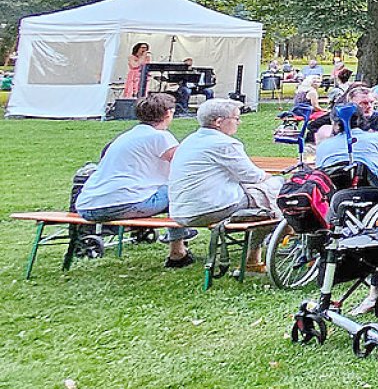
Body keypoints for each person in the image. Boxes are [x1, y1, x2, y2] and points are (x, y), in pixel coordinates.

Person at [74, 93, 195, 267]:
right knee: (179, 191)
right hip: (124, 204)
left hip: (88, 205)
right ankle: (177, 250)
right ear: (168, 113)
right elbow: (185, 165)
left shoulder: (126, 136)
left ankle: (181, 238)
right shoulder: (160, 137)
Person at [167, 99, 280, 269]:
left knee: (263, 194)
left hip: (180, 211)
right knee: (276, 196)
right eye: (236, 118)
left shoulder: (189, 140)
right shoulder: (224, 143)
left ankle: (255, 256)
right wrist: (272, 178)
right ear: (219, 122)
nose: (239, 123)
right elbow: (252, 175)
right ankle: (253, 257)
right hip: (210, 209)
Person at [314, 107, 378, 185]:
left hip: (335, 196)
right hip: (372, 191)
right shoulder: (376, 138)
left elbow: (319, 173)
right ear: (361, 119)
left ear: (334, 123)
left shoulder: (323, 145)